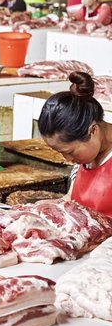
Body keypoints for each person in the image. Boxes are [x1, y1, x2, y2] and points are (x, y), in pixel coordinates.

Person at [38, 71, 112, 217]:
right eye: (61, 153)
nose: (68, 159)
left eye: (70, 152)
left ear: (92, 131)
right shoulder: (85, 159)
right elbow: (72, 200)